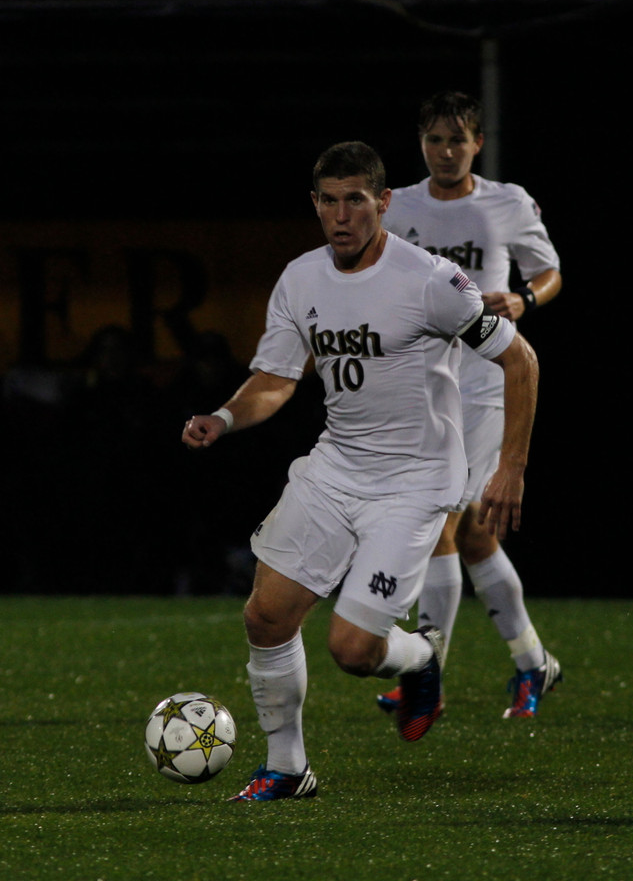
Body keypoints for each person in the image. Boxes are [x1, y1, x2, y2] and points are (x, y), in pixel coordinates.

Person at [182, 140, 538, 802]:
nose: (341, 216)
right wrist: (224, 418)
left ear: (383, 203)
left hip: (413, 483)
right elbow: (275, 379)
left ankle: (421, 658)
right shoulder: (300, 279)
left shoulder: (430, 280)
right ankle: (287, 769)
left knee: (351, 650)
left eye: (355, 200)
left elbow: (520, 361)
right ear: (314, 204)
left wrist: (510, 467)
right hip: (336, 467)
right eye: (328, 201)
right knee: (266, 617)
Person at [377, 91, 562, 720]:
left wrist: (525, 300)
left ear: (477, 143)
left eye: (457, 139)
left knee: (441, 523)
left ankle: (424, 677)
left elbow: (550, 271)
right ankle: (533, 663)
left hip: (485, 384)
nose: (445, 151)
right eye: (434, 139)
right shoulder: (399, 206)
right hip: (425, 383)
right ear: (421, 143)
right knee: (477, 535)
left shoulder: (506, 202)